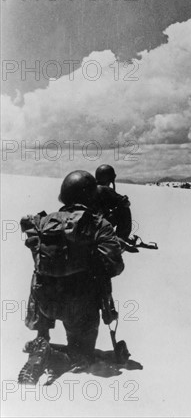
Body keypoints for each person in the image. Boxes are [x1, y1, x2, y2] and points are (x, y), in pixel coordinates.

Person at [19, 171, 124, 383]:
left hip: (45, 303)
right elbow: (115, 266)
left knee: (42, 277)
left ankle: (42, 340)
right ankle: (55, 355)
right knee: (83, 355)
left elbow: (39, 262)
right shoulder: (97, 223)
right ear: (90, 196)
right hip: (80, 305)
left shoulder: (43, 222)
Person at [94, 164, 135, 250]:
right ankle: (121, 239)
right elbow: (125, 203)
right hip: (99, 226)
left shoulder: (90, 188)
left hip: (87, 226)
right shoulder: (105, 189)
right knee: (124, 210)